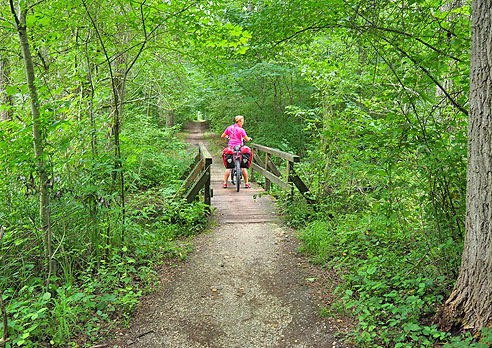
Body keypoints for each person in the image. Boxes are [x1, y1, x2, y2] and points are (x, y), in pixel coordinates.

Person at [221, 115, 252, 188]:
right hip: (239, 148)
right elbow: (246, 139)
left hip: (231, 148)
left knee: (229, 167)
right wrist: (249, 139)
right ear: (238, 122)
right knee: (243, 167)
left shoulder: (229, 128)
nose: (242, 124)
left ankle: (225, 183)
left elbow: (223, 136)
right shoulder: (241, 130)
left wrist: (227, 137)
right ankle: (246, 183)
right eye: (242, 122)